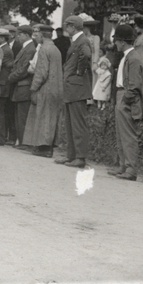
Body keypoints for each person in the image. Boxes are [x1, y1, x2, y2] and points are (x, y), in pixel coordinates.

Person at [105, 23, 143, 179]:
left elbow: (134, 85)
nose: (115, 43)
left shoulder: (133, 58)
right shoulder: (127, 56)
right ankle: (123, 165)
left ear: (122, 41)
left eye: (116, 40)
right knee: (120, 134)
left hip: (126, 98)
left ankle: (130, 169)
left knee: (128, 135)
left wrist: (125, 101)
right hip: (121, 95)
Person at [56, 14, 93, 168]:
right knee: (71, 124)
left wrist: (78, 72)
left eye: (68, 26)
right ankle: (72, 155)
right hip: (73, 88)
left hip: (77, 88)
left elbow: (87, 55)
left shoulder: (82, 40)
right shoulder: (78, 40)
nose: (66, 29)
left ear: (72, 26)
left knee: (78, 124)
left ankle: (80, 157)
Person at [23, 24, 64, 157]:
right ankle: (49, 147)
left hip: (45, 88)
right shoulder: (55, 49)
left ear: (42, 35)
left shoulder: (43, 49)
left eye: (37, 34)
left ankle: (43, 148)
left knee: (42, 116)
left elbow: (41, 72)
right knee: (51, 118)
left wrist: (34, 88)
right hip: (57, 89)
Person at [7, 25, 36, 148]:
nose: (17, 36)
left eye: (20, 34)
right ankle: (22, 141)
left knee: (23, 115)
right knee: (19, 115)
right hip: (20, 85)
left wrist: (10, 77)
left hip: (24, 85)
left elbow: (24, 69)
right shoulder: (26, 47)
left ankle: (24, 142)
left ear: (26, 35)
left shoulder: (30, 49)